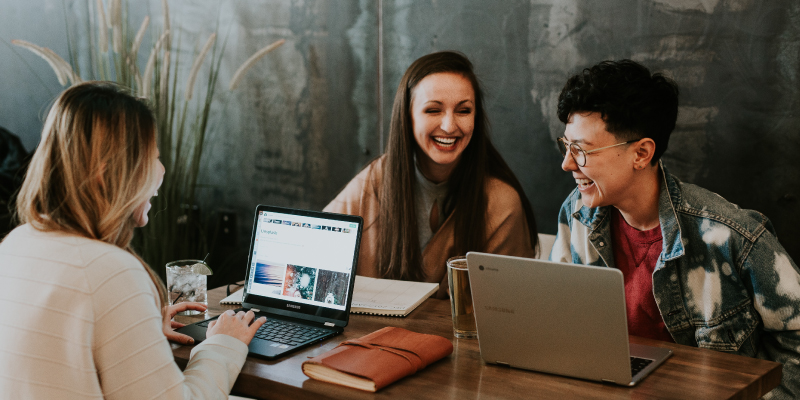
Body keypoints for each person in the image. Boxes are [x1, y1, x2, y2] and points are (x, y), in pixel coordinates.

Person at [549, 59, 800, 399]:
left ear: (641, 153)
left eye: (581, 150)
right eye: (566, 146)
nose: (566, 163)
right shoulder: (576, 213)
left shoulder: (731, 236)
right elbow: (556, 321)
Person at [0, 82, 266, 399]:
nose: (162, 170)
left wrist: (140, 325)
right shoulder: (110, 271)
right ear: (107, 173)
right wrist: (225, 343)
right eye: (153, 157)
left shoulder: (17, 243)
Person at [325, 51, 538, 298]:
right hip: (368, 336)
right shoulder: (374, 181)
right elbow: (312, 250)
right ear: (408, 116)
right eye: (433, 110)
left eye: (464, 110)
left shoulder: (502, 203)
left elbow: (511, 309)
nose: (449, 126)